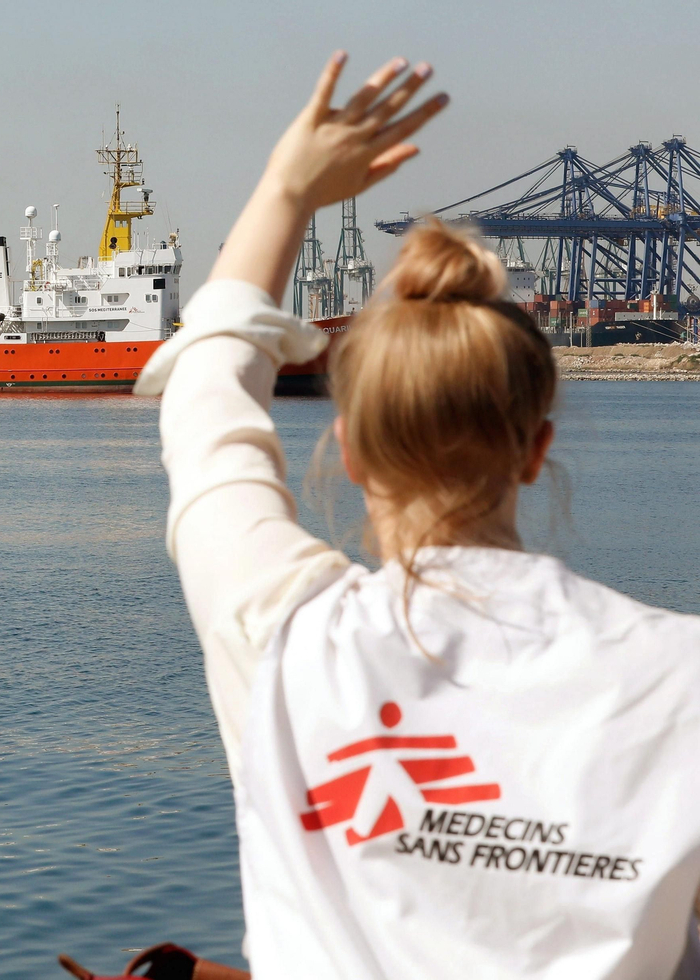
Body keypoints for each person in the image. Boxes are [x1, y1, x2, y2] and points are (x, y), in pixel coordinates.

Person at [135, 54, 700, 977]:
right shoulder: (679, 677)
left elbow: (204, 392)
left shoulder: (283, 640)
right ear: (535, 449)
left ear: (349, 449)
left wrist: (289, 187)